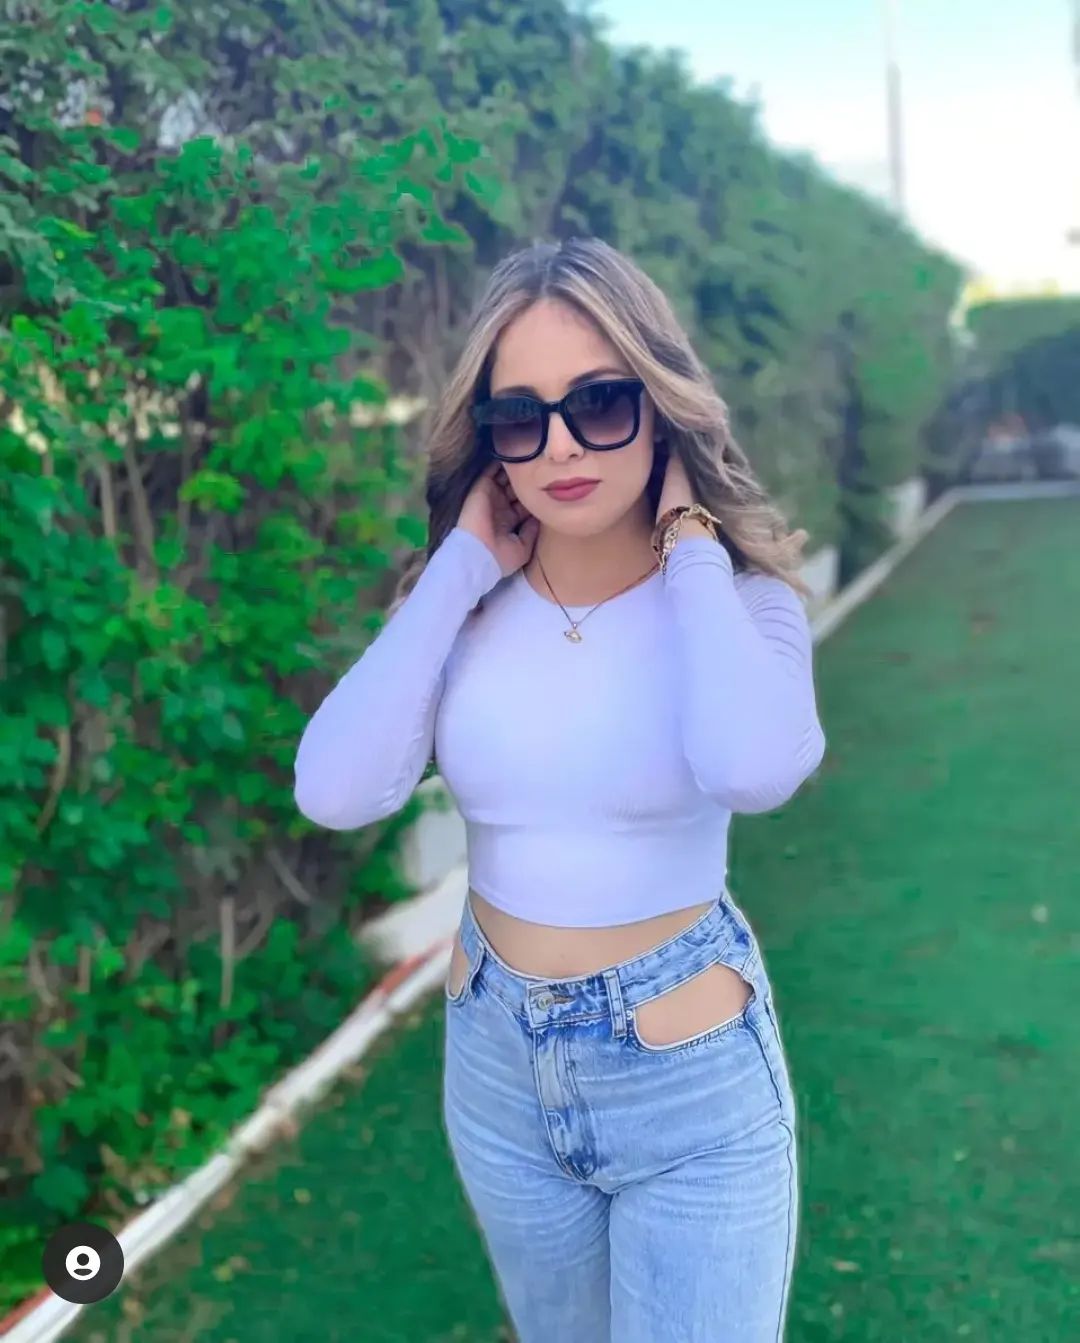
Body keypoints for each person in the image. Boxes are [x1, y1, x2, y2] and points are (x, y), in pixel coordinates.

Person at [293, 237, 826, 1342]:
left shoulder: (739, 606)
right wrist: (459, 566)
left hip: (688, 1084)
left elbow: (754, 767)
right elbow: (335, 789)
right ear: (488, 437)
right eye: (519, 417)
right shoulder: (465, 611)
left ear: (661, 404)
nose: (562, 445)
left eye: (600, 401)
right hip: (494, 1061)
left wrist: (689, 538)